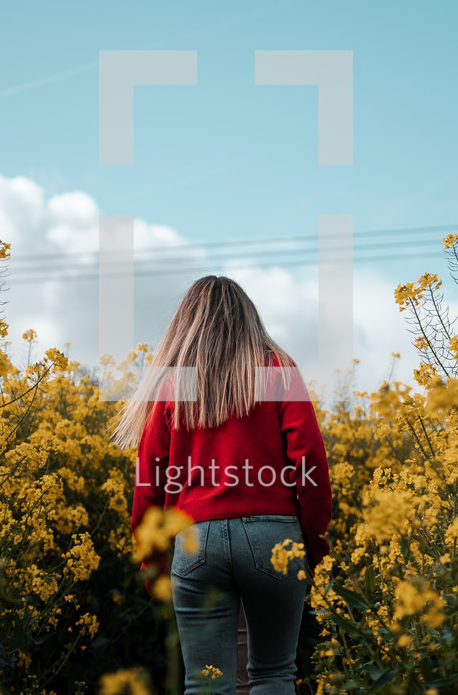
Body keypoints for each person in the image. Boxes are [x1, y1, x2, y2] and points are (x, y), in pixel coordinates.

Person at [112, 275, 332, 695]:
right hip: (275, 539)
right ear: (249, 317)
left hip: (197, 542)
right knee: (272, 674)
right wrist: (313, 541)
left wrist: (153, 561)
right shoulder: (276, 369)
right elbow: (310, 461)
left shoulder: (175, 383)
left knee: (205, 684)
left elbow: (149, 481)